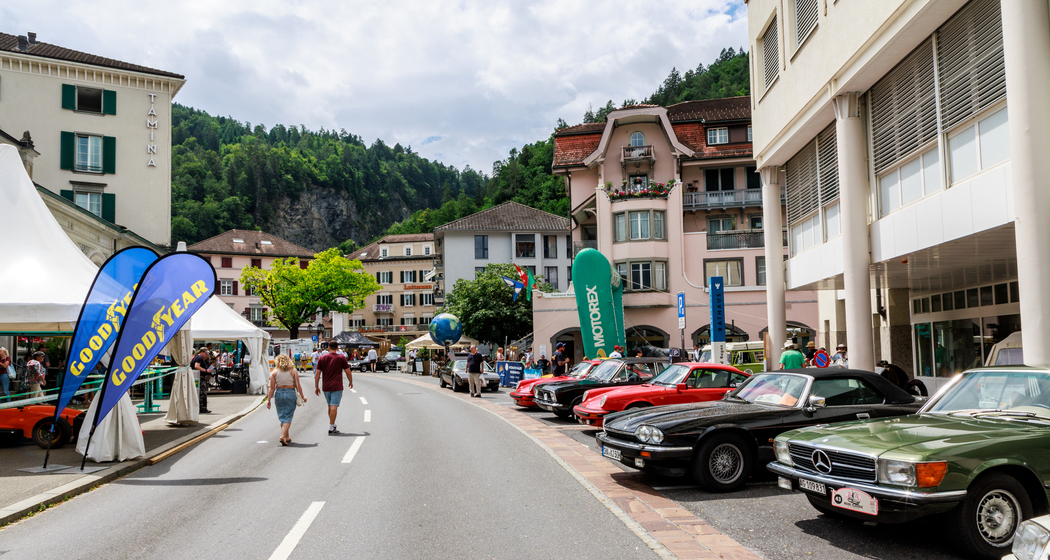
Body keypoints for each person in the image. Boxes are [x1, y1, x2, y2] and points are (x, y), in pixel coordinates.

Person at [314, 340, 353, 435]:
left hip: (326, 386)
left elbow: (317, 373)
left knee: (330, 405)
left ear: (328, 348)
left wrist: (316, 386)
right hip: (337, 386)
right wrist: (350, 381)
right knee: (334, 406)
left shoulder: (322, 358)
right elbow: (348, 371)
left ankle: (333, 424)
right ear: (337, 348)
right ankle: (331, 428)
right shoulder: (341, 358)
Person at [266, 354, 307, 446]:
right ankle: (282, 436)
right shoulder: (293, 371)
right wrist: (303, 396)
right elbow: (298, 385)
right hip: (290, 393)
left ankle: (287, 436)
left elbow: (271, 388)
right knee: (288, 416)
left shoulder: (274, 372)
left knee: (282, 415)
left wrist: (268, 400)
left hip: (279, 393)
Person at [191, 348, 213, 413]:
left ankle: (201, 408)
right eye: (205, 353)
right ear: (201, 352)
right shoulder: (199, 358)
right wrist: (206, 370)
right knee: (202, 393)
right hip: (199, 377)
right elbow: (196, 366)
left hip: (198, 377)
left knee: (199, 393)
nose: (206, 354)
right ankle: (202, 408)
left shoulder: (197, 357)